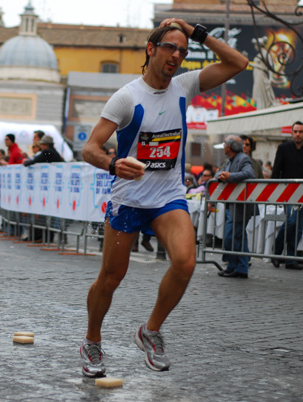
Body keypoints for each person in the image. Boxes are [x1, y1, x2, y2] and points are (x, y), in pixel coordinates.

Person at [80, 18, 247, 376]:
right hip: (128, 200)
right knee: (111, 278)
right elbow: (89, 148)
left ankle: (150, 331)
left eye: (183, 51)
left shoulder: (184, 86)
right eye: (170, 47)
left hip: (168, 197)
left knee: (186, 263)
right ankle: (92, 341)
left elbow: (238, 63)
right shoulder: (126, 97)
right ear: (151, 49)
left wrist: (195, 32)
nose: (177, 55)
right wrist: (113, 164)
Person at [271, 121, 303, 270]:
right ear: (292, 133)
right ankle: (277, 252)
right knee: (291, 222)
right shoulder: (283, 148)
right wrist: (276, 192)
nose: (298, 134)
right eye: (295, 131)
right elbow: (276, 172)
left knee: (299, 227)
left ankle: (291, 259)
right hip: (289, 193)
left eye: (300, 131)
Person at [215, 136, 255, 278]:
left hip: (241, 207)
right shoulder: (230, 160)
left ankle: (240, 268)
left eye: (225, 144)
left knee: (233, 236)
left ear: (230, 147)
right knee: (235, 237)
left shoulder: (243, 159)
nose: (224, 146)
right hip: (233, 206)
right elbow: (218, 173)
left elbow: (249, 174)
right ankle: (235, 267)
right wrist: (221, 175)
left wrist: (230, 176)